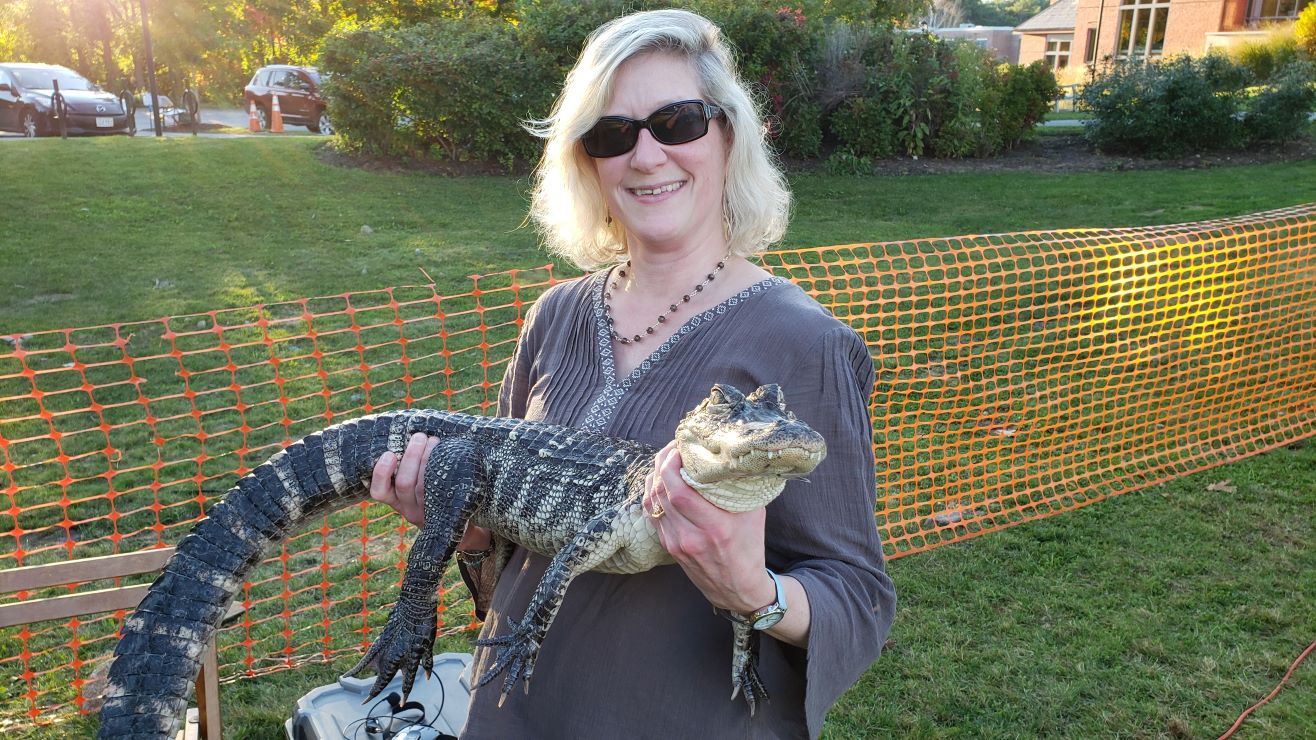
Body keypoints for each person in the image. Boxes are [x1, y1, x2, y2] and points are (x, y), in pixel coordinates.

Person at [370, 9, 895, 738]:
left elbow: (859, 600)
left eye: (677, 121)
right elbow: (506, 578)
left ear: (728, 134)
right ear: (586, 160)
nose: (646, 156)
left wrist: (755, 593)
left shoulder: (805, 343)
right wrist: (466, 536)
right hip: (509, 713)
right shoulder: (553, 316)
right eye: (612, 134)